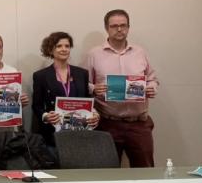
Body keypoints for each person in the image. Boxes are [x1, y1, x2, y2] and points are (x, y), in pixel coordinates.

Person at [86, 9, 158, 167]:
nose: (119, 29)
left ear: (128, 27)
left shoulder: (140, 52)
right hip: (107, 124)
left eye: (123, 25)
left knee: (145, 171)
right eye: (114, 26)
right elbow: (84, 83)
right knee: (107, 173)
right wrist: (94, 89)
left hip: (138, 124)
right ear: (106, 28)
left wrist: (151, 88)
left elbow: (152, 79)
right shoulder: (94, 54)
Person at [32, 32, 97, 149]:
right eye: (59, 46)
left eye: (67, 46)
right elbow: (36, 105)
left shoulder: (82, 73)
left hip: (80, 131)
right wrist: (45, 116)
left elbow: (88, 100)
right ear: (50, 50)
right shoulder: (40, 76)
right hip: (54, 133)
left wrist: (95, 114)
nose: (64, 49)